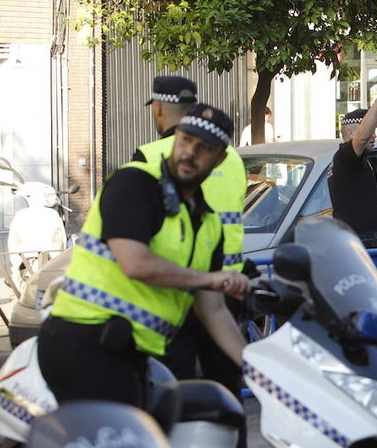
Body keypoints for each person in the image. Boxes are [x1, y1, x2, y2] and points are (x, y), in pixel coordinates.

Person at [37, 104, 250, 412]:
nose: (190, 152)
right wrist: (211, 278)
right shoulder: (134, 183)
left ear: (221, 159)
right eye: (186, 140)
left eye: (204, 148)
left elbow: (213, 309)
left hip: (135, 353)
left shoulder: (208, 224)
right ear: (175, 138)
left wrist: (253, 366)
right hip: (83, 342)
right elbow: (135, 263)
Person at [134, 76, 251, 448]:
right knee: (226, 391)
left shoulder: (151, 156)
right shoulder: (229, 156)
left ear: (158, 109)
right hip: (226, 291)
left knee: (173, 390)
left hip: (172, 295)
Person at [328, 78, 377, 248]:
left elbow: (354, 206)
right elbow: (362, 138)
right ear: (350, 132)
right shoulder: (345, 156)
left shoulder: (356, 161)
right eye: (371, 130)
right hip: (357, 245)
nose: (374, 135)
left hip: (366, 241)